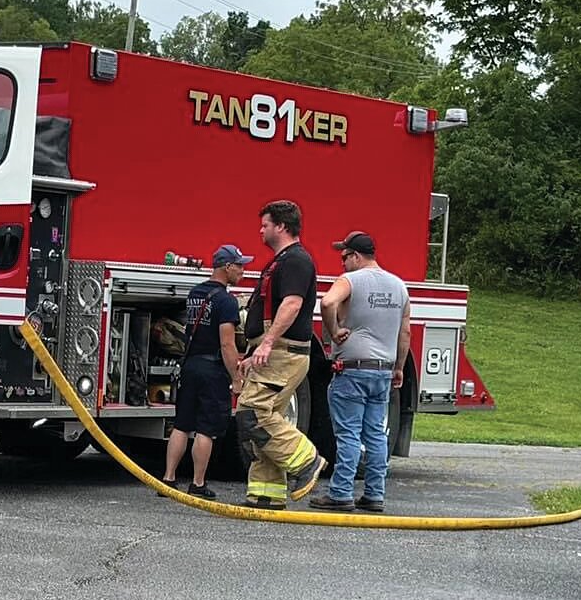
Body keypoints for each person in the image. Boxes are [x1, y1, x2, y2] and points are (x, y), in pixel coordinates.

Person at [310, 231, 410, 513]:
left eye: (344, 257)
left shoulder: (350, 281)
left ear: (356, 256)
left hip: (352, 371)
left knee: (348, 434)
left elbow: (328, 302)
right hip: (383, 372)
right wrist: (399, 367)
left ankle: (341, 493)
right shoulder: (399, 286)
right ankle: (375, 494)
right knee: (376, 435)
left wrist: (334, 331)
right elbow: (405, 332)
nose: (342, 263)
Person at [236, 200, 325, 510]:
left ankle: (306, 461)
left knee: (253, 413)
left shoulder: (297, 261)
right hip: (274, 352)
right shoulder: (282, 261)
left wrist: (267, 343)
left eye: (265, 224)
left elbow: (291, 304)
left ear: (282, 226)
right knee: (264, 417)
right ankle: (266, 493)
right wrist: (253, 350)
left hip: (284, 353)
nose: (260, 230)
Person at [161, 244, 253, 500]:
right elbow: (227, 343)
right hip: (212, 369)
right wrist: (236, 377)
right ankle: (198, 483)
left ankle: (168, 479)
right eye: (239, 266)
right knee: (206, 429)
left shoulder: (195, 293)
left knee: (181, 424)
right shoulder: (226, 301)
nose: (243, 271)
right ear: (227, 267)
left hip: (190, 364)